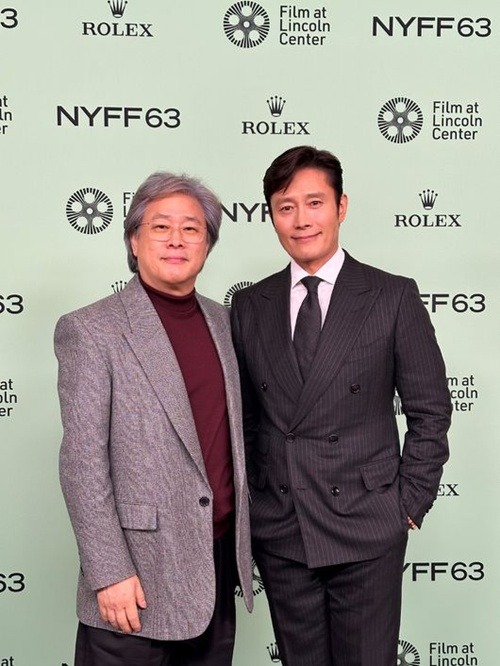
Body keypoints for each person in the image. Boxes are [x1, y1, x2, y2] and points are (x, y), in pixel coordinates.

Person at [230, 146, 451, 666]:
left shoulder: (391, 296)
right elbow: (245, 419)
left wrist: (407, 505)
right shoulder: (250, 304)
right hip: (284, 529)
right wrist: (256, 506)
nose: (301, 220)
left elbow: (430, 409)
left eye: (315, 203)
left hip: (367, 525)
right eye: (286, 207)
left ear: (341, 207)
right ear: (271, 216)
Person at [55, 171, 253, 666]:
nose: (176, 240)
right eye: (161, 227)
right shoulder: (91, 329)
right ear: (133, 240)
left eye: (192, 229)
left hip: (214, 567)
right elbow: (82, 463)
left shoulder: (226, 322)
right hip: (134, 580)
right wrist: (108, 572)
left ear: (207, 244)